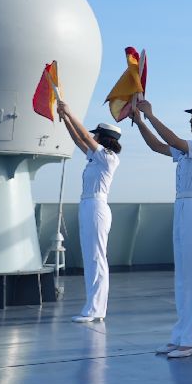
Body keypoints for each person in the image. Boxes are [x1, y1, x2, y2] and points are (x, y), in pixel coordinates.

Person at [130, 96, 192, 359]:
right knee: (183, 277)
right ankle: (181, 335)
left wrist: (150, 114)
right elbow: (157, 146)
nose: (191, 120)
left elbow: (172, 140)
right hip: (183, 207)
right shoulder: (190, 148)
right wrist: (140, 122)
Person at [56, 101, 121, 323]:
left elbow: (84, 136)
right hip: (88, 206)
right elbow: (78, 139)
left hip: (96, 207)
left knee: (96, 257)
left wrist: (70, 111)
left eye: (96, 135)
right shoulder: (96, 157)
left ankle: (95, 309)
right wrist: (65, 118)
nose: (93, 137)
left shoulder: (108, 157)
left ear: (103, 138)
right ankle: (94, 307)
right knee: (91, 257)